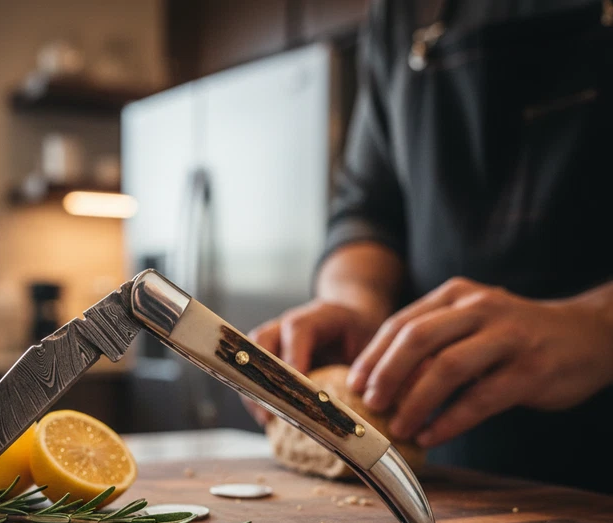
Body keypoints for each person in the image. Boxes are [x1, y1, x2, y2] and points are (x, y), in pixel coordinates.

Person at [248, 0, 613, 493]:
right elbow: (368, 209)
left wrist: (598, 327)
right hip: (446, 464)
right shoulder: (402, 11)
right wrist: (354, 300)